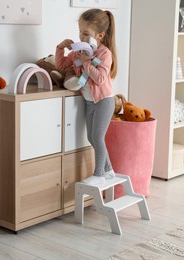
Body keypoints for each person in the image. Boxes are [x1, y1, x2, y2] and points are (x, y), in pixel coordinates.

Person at [55, 8, 117, 185]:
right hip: (90, 102)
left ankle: (99, 174)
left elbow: (100, 78)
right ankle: (109, 170)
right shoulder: (79, 52)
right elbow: (61, 65)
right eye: (79, 32)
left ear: (100, 35)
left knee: (97, 137)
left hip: (104, 101)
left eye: (85, 33)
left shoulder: (104, 53)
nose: (81, 37)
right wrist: (60, 48)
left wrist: (86, 63)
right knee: (91, 137)